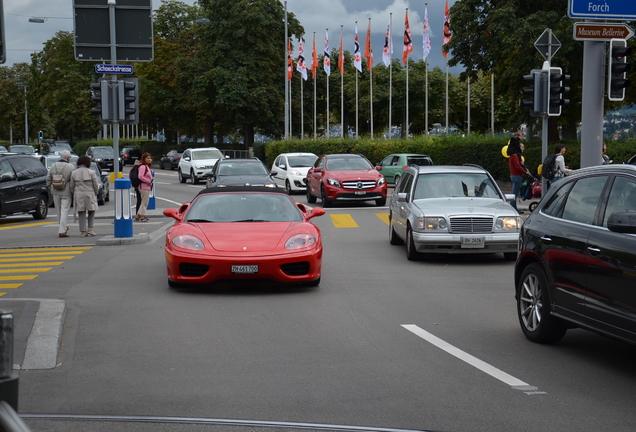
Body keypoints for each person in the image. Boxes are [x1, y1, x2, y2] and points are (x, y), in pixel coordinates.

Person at [46, 150, 75, 238]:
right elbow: (73, 180)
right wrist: (72, 190)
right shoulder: (71, 167)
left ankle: (62, 228)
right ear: (68, 158)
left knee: (58, 211)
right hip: (66, 192)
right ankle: (62, 230)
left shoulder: (53, 166)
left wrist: (51, 187)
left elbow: (48, 178)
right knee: (64, 211)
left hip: (55, 191)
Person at [70, 156, 99, 237]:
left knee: (81, 212)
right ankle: (90, 229)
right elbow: (95, 184)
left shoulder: (74, 172)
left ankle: (82, 231)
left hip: (78, 193)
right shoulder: (91, 172)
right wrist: (96, 192)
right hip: (89, 193)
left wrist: (74, 193)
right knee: (91, 211)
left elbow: (71, 186)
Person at [508, 132, 527, 212]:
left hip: (514, 175)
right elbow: (517, 166)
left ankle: (513, 207)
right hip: (517, 175)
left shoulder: (512, 155)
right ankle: (513, 208)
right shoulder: (515, 156)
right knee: (515, 193)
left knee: (515, 192)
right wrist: (525, 171)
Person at [135, 153, 154, 222]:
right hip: (144, 186)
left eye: (150, 158)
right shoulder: (143, 167)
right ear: (144, 159)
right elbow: (140, 176)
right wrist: (148, 180)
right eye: (147, 158)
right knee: (145, 202)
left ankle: (138, 216)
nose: (149, 160)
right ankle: (142, 217)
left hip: (145, 186)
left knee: (143, 202)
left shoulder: (146, 166)